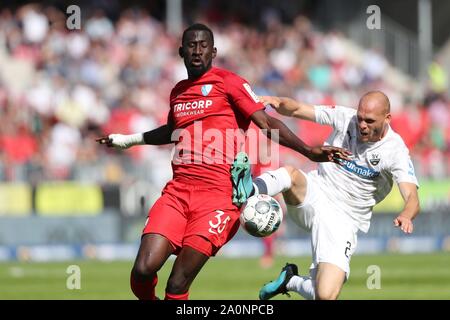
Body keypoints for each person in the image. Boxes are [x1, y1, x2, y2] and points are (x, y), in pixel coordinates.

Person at [96, 23, 349, 300]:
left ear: (213, 51)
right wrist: (129, 139)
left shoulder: (230, 82)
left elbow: (265, 122)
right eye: (191, 45)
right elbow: (171, 130)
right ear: (181, 51)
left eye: (203, 45)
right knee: (143, 270)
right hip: (178, 192)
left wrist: (308, 150)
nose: (197, 50)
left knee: (177, 284)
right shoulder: (178, 92)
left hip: (218, 198)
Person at [246, 91, 420, 300]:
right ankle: (247, 190)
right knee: (291, 174)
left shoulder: (396, 151)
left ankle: (291, 280)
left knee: (326, 296)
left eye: (370, 121)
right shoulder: (346, 118)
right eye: (360, 118)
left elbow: (411, 196)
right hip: (316, 193)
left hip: (344, 218)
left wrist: (406, 215)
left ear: (387, 118)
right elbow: (299, 109)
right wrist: (278, 102)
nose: (362, 125)